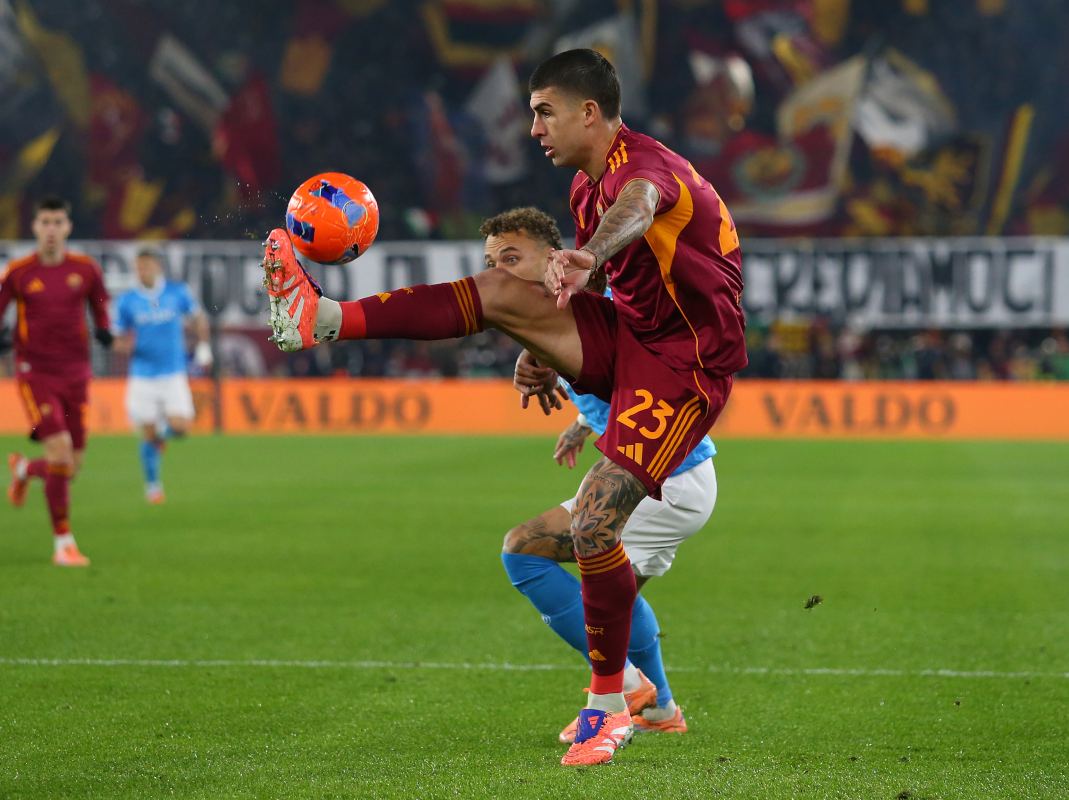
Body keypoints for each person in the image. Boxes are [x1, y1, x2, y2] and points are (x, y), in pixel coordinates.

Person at [263, 49, 745, 765]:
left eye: (543, 111)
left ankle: (610, 706)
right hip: (636, 338)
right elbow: (620, 291)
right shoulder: (588, 188)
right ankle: (323, 318)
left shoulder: (644, 170)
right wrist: (544, 340)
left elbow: (639, 210)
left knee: (593, 526)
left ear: (589, 112)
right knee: (498, 292)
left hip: (687, 363)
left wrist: (589, 255)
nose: (532, 128)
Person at [481, 207, 718, 742]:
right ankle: (660, 709)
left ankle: (625, 687)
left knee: (522, 550)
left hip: (663, 480)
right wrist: (581, 424)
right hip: (682, 475)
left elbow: (639, 363)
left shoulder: (600, 308)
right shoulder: (558, 320)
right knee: (621, 598)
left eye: (513, 258)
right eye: (492, 261)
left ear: (554, 259)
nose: (500, 271)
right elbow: (615, 381)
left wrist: (540, 358)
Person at [0, 196, 113, 567]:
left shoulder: (86, 269)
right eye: (45, 222)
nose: (51, 229)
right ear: (35, 227)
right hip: (35, 373)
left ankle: (24, 469)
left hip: (77, 373)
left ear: (68, 227)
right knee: (58, 454)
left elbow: (100, 303)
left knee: (70, 467)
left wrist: (104, 328)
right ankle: (64, 545)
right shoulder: (18, 271)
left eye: (58, 222)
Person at [112, 250, 213, 504]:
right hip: (142, 376)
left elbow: (198, 318)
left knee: (181, 427)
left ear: (157, 266)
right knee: (147, 432)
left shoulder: (177, 292)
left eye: (145, 266)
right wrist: (126, 347)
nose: (141, 272)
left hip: (173, 373)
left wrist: (203, 347)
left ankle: (160, 436)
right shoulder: (127, 301)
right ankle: (153, 487)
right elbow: (116, 338)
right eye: (138, 267)